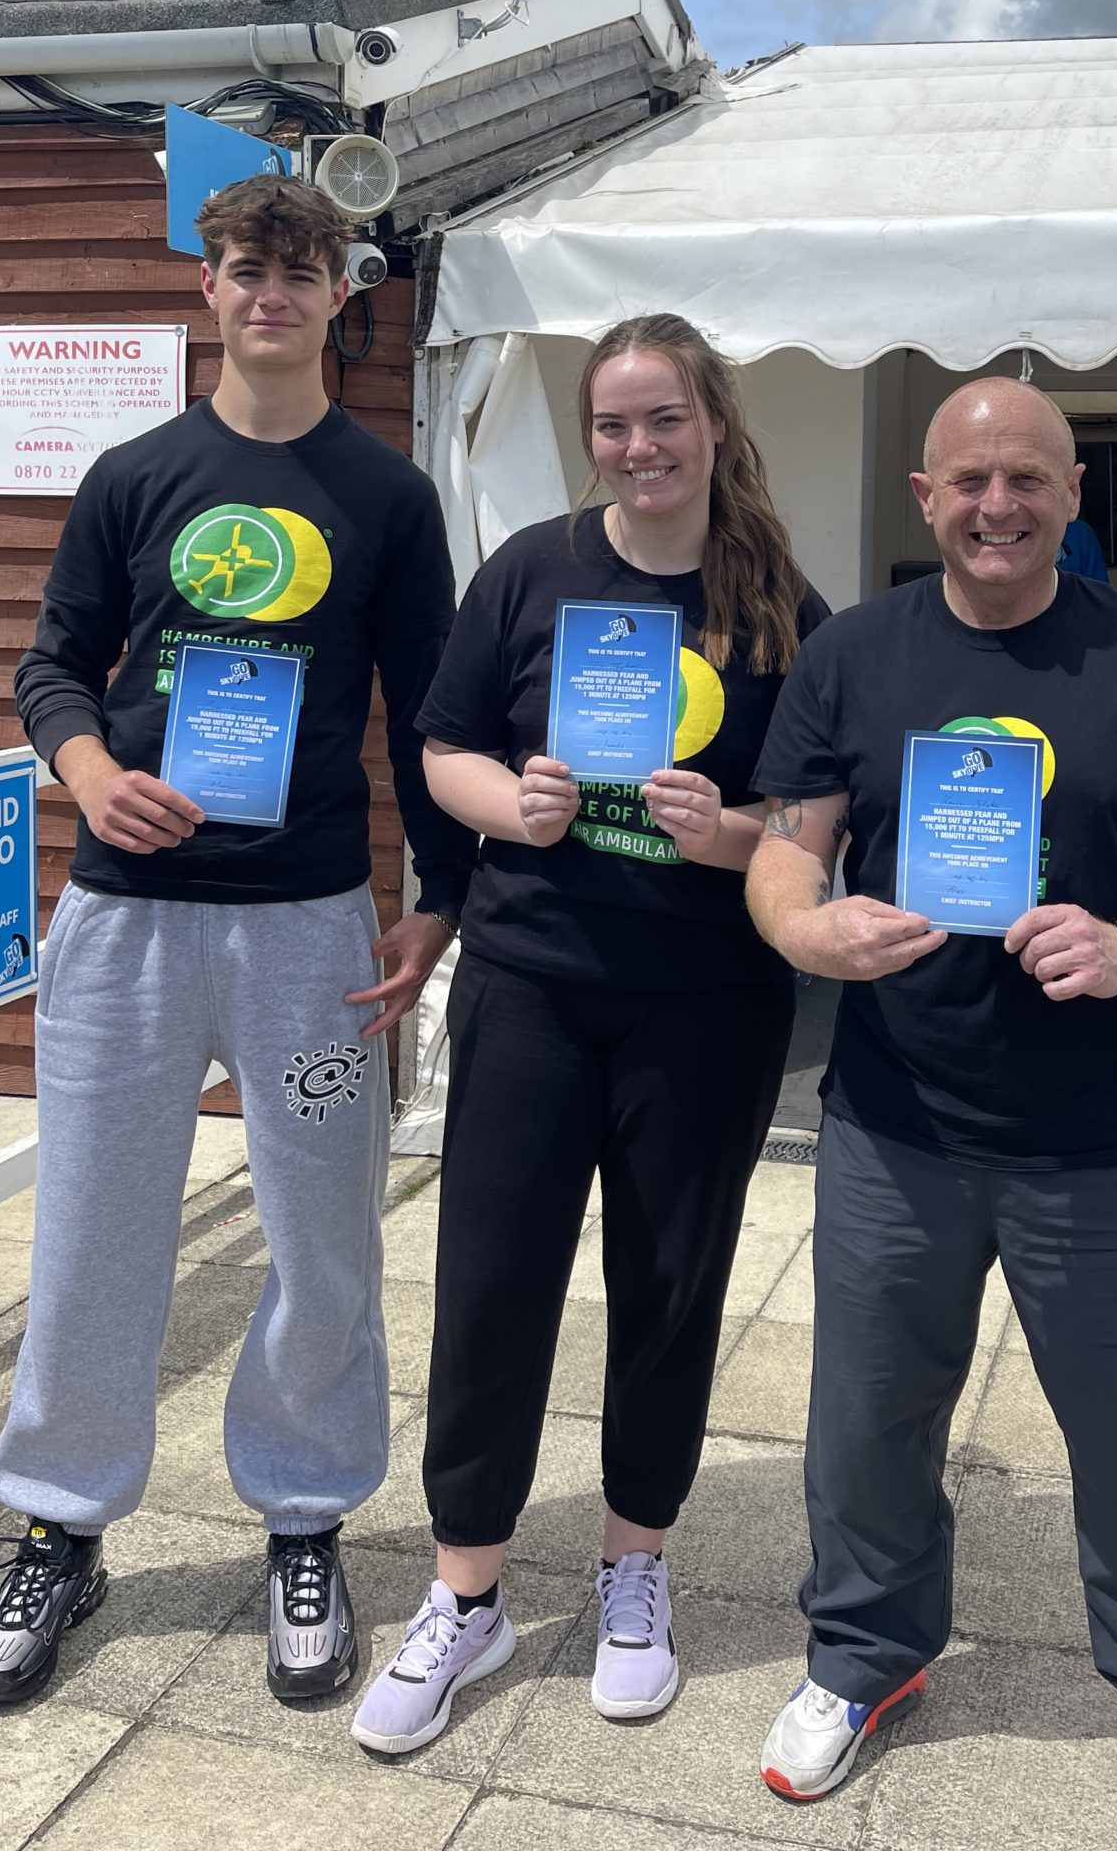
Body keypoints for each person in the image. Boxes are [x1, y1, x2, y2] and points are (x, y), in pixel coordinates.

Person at [0, 175, 472, 1711]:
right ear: (212, 285)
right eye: (250, 268)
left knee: (324, 1227)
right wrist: (91, 772)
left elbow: (434, 709)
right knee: (94, 1227)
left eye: (303, 272)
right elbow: (52, 662)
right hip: (123, 936)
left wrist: (432, 902)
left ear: (338, 297)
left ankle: (304, 1514)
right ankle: (63, 1519)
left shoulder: (385, 497)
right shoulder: (135, 474)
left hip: (307, 939)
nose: (274, 295)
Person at [744, 377, 1117, 1851]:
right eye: (970, 480)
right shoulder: (854, 653)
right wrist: (814, 934)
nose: (998, 505)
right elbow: (786, 855)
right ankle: (863, 1657)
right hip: (895, 1120)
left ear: (1070, 497)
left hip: (1100, 1135)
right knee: (866, 1419)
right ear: (925, 496)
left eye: (1029, 480)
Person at [349, 313, 826, 1756]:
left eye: (662, 420)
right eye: (612, 425)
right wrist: (517, 806)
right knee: (491, 1282)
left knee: (670, 1285)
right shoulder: (532, 572)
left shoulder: (777, 601)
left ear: (712, 425)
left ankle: (635, 1565)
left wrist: (723, 829)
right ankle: (467, 1591)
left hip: (706, 1000)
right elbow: (439, 748)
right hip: (531, 980)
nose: (637, 447)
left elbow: (811, 823)